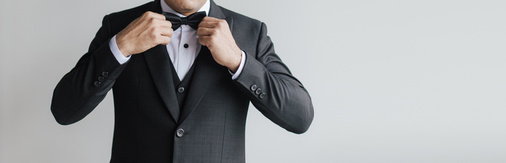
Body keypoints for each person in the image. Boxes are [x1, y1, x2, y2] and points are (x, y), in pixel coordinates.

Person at [50, 0, 314, 162]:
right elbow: (64, 110)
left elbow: (300, 116)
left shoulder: (250, 32)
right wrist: (121, 46)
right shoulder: (119, 26)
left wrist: (238, 60)